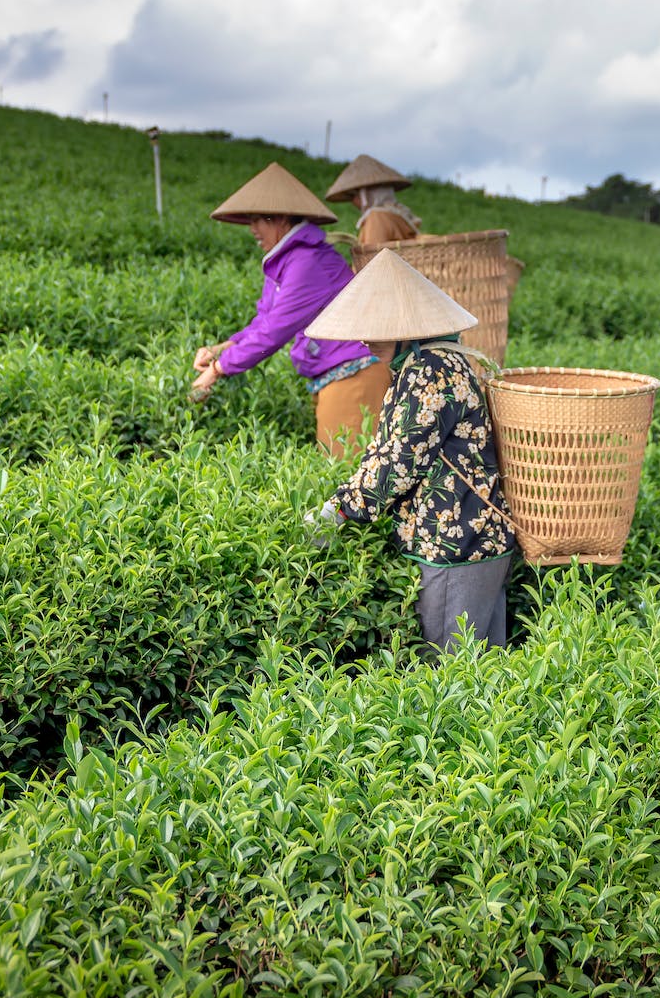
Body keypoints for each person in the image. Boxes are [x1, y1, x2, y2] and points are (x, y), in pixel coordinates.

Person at [304, 250, 516, 654]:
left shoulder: (431, 372)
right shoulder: (427, 363)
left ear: (406, 326)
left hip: (457, 546)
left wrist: (341, 508)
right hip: (475, 540)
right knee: (486, 671)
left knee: (448, 674)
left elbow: (398, 460)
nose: (364, 336)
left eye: (377, 325)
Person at [193, 162, 390, 458]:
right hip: (337, 371)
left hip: (355, 372)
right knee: (339, 466)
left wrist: (219, 370)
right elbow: (264, 320)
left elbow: (275, 331)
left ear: (281, 218)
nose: (253, 229)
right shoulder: (285, 261)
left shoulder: (305, 263)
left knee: (346, 467)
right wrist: (221, 348)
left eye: (258, 220)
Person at [325, 154, 424, 249]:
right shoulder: (395, 212)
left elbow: (372, 255)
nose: (353, 201)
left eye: (354, 195)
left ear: (367, 196)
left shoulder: (377, 217)